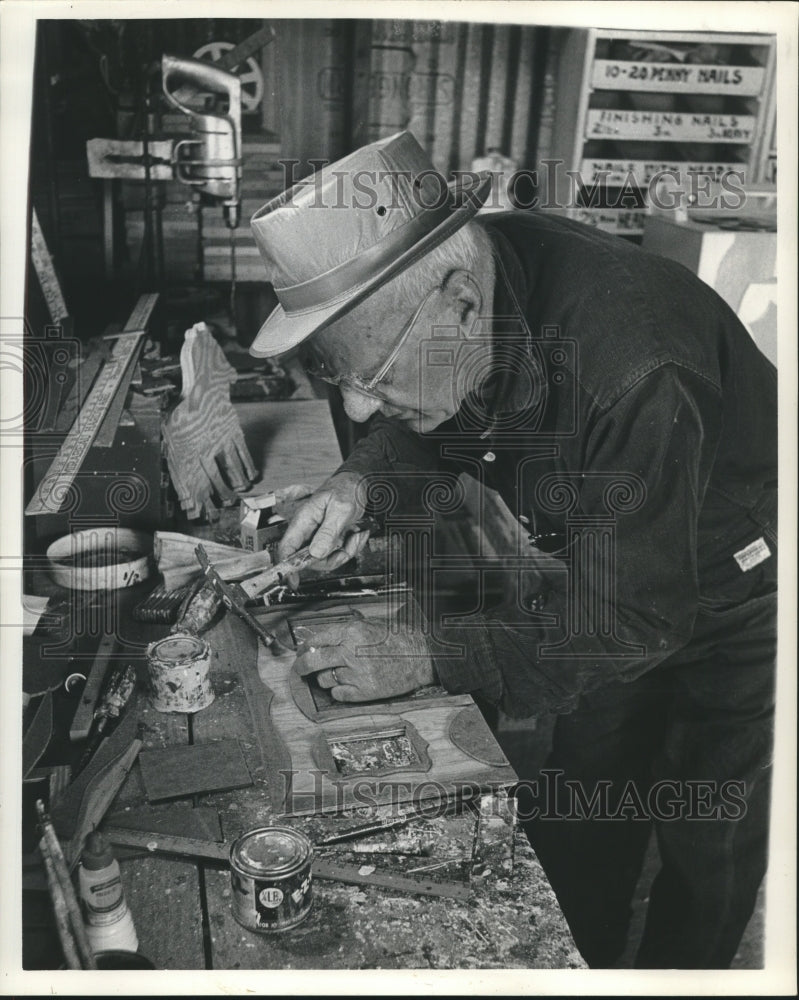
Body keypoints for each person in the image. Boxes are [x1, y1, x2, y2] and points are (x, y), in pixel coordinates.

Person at [248, 131, 777, 969]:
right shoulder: (473, 299)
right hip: (605, 572)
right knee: (583, 798)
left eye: (373, 374)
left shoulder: (634, 363)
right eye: (336, 376)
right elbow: (434, 422)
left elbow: (635, 615)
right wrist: (359, 485)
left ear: (459, 301)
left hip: (731, 580)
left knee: (706, 820)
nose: (356, 409)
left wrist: (431, 650)